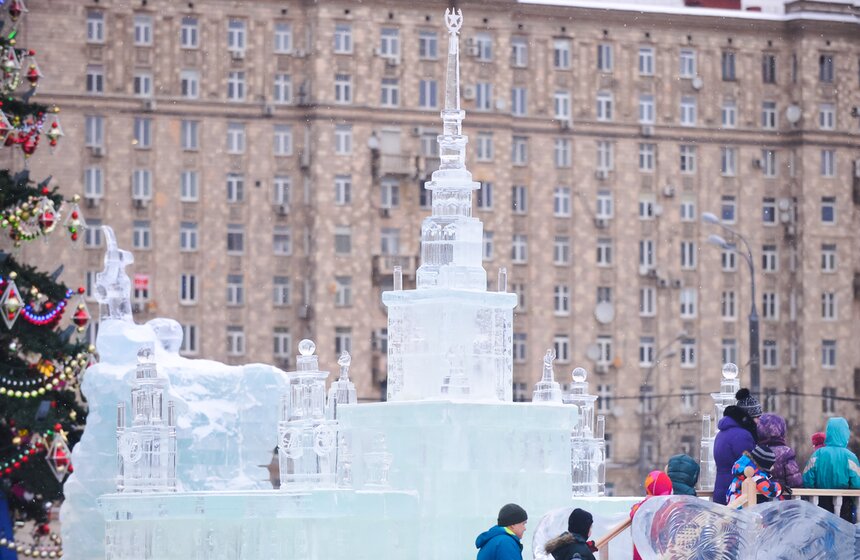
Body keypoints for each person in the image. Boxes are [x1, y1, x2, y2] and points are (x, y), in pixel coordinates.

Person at [803, 417, 860, 522]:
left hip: (820, 502)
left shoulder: (818, 454)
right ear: (845, 433)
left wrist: (813, 490)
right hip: (844, 504)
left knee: (822, 532)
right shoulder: (850, 457)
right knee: (842, 533)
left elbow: (807, 479)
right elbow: (857, 483)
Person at [712, 388, 760, 504]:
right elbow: (749, 468)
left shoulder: (722, 433)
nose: (759, 421)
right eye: (757, 417)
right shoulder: (743, 436)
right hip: (736, 493)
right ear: (748, 417)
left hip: (721, 488)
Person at [630, 470, 673, 560]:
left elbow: (633, 512)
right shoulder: (672, 507)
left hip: (643, 555)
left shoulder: (642, 508)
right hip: (666, 554)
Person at [756, 413, 803, 491]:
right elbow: (795, 481)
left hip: (761, 498)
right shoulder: (785, 453)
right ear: (781, 429)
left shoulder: (756, 451)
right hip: (782, 499)